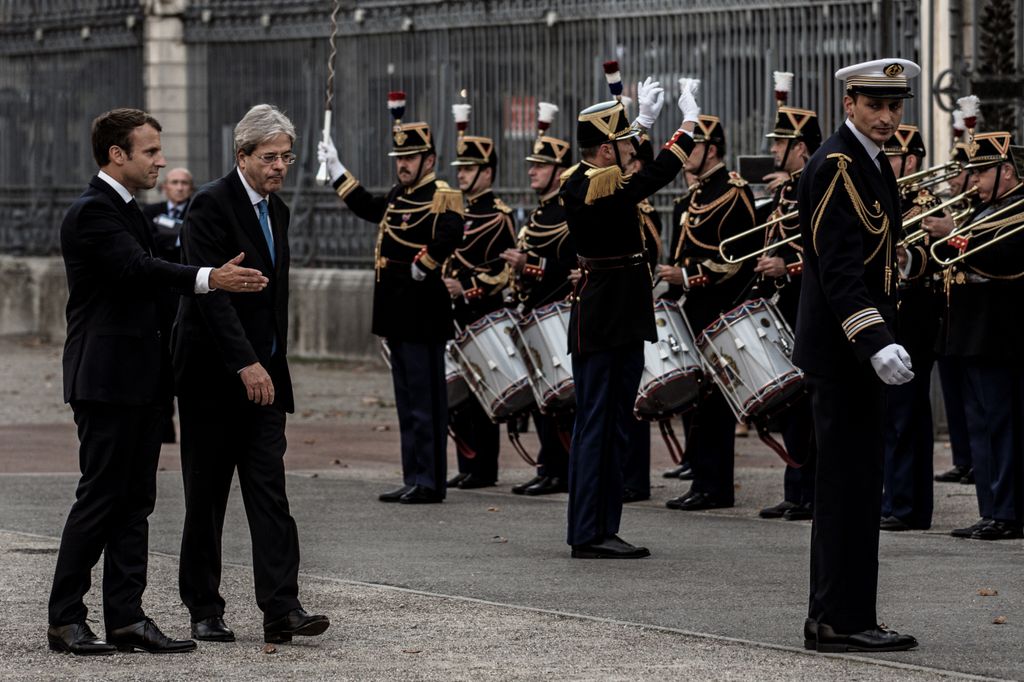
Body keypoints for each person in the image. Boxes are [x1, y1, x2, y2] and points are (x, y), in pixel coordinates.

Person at [49, 108, 267, 656]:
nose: (161, 161)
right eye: (149, 151)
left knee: (136, 503)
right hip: (105, 379)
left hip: (143, 380)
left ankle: (126, 617)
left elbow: (151, 283)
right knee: (100, 498)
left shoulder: (128, 210)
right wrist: (210, 277)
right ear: (116, 154)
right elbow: (137, 270)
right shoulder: (92, 212)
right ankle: (65, 618)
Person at [174, 104, 330, 645]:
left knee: (270, 494)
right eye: (269, 157)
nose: (280, 166)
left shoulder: (277, 210)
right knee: (207, 496)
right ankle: (204, 607)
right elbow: (211, 296)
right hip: (213, 377)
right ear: (242, 156)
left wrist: (271, 366)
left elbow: (273, 301)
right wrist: (245, 362)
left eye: (287, 157)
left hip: (267, 380)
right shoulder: (209, 204)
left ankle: (282, 608)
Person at [794, 58, 920, 653]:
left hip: (853, 349)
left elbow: (875, 254)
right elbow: (838, 269)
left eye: (894, 106)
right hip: (845, 351)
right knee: (848, 488)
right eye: (875, 105)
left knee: (855, 486)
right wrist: (873, 339)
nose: (887, 118)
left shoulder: (870, 161)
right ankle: (841, 621)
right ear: (849, 103)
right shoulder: (837, 164)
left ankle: (838, 616)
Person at [561, 77, 698, 558]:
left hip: (613, 314)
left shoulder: (589, 177)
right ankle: (590, 532)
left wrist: (641, 122)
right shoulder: (595, 185)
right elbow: (648, 177)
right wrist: (687, 128)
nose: (630, 151)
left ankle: (600, 527)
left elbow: (625, 167)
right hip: (607, 317)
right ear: (605, 151)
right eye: (622, 144)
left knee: (611, 425)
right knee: (600, 427)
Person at [319, 93, 464, 504]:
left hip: (422, 312)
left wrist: (428, 262)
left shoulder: (440, 194)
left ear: (429, 160)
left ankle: (430, 480)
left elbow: (453, 231)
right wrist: (337, 169)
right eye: (399, 158)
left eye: (410, 158)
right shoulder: (401, 195)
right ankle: (413, 474)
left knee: (425, 401)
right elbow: (369, 207)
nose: (402, 164)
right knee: (406, 400)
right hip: (397, 312)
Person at [926, 131, 1024, 540]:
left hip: (1000, 335)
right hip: (969, 333)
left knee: (1003, 426)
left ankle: (1009, 512)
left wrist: (955, 234)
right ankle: (991, 509)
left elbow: (1006, 258)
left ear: (1006, 171)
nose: (976, 180)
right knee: (981, 425)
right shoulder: (982, 209)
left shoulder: (1019, 209)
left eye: (982, 172)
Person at [659, 113, 757, 512]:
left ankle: (716, 487)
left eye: (693, 147)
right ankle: (701, 480)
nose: (685, 154)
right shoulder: (692, 196)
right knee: (698, 400)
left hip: (719, 309)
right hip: (693, 310)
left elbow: (737, 259)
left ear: (712, 150)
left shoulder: (734, 192)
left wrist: (686, 276)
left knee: (716, 403)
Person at [753, 90, 822, 522]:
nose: (774, 149)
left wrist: (787, 267)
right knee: (791, 405)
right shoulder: (788, 189)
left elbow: (821, 252)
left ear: (799, 147)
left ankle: (811, 491)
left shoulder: (814, 184)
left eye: (780, 143)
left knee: (807, 404)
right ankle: (795, 490)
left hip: (805, 302)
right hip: (782, 304)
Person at [501, 102, 576, 496]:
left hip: (559, 313)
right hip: (533, 313)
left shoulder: (568, 213)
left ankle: (562, 469)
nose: (532, 171)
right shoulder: (538, 213)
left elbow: (568, 267)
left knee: (562, 398)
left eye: (541, 166)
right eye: (532, 165)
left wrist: (528, 265)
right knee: (542, 396)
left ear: (559, 171)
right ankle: (548, 467)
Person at [443, 103, 516, 489]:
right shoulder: (458, 211)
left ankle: (485, 468)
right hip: (455, 315)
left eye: (469, 168)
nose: (461, 174)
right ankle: (466, 463)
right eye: (460, 168)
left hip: (483, 312)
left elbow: (502, 272)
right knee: (459, 395)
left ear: (487, 172)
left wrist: (467, 288)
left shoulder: (500, 216)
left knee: (482, 393)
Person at [879, 124, 939, 531]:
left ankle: (907, 505)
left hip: (915, 321)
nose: (884, 162)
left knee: (907, 417)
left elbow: (932, 257)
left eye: (892, 156)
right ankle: (895, 499)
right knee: (892, 417)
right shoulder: (885, 197)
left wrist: (904, 257)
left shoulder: (926, 203)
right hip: (890, 318)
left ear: (911, 161)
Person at [143, 167, 195, 443]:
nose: (179, 187)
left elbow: (191, 245)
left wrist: (171, 236)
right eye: (174, 182)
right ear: (165, 187)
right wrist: (178, 236)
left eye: (184, 183)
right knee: (159, 362)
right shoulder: (150, 212)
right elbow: (150, 244)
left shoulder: (197, 212)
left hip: (187, 295)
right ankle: (163, 424)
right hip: (160, 298)